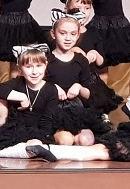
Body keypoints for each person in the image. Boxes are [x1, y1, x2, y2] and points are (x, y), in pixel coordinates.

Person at [45, 9, 111, 145]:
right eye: (63, 33)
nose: (68, 38)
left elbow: (87, 95)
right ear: (53, 34)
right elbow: (36, 90)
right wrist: (52, 88)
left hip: (77, 110)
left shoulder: (80, 60)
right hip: (53, 111)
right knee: (66, 140)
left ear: (78, 35)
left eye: (73, 34)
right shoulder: (46, 59)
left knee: (86, 140)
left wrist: (79, 87)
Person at [63, 0, 123, 121]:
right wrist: (74, 51)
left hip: (89, 80)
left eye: (87, 8)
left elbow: (102, 63)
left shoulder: (93, 33)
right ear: (67, 9)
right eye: (78, 8)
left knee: (96, 105)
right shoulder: (62, 32)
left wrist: (95, 54)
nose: (83, 12)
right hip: (68, 79)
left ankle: (99, 116)